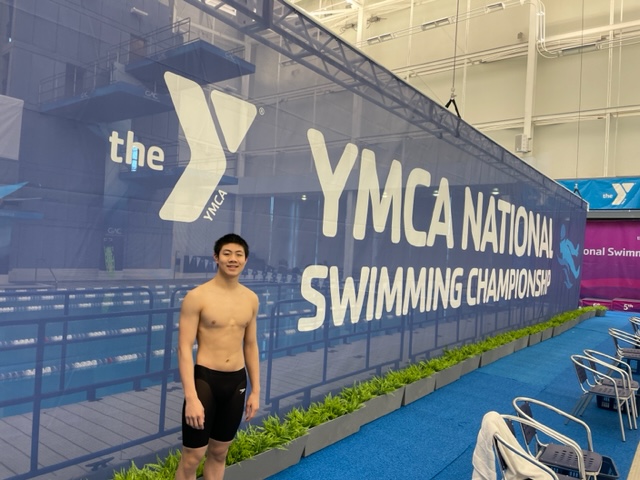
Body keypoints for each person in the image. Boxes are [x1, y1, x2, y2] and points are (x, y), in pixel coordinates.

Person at [175, 233, 260, 480]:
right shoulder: (197, 297)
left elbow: (251, 345)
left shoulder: (251, 299)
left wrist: (256, 390)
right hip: (205, 382)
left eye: (238, 254)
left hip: (236, 383)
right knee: (192, 455)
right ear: (216, 257)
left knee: (220, 452)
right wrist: (191, 397)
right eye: (226, 254)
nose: (232, 259)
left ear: (245, 260)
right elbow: (183, 348)